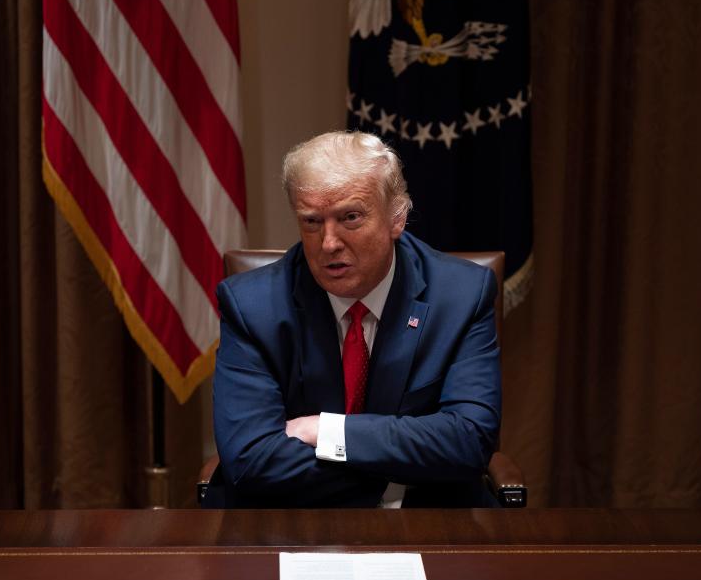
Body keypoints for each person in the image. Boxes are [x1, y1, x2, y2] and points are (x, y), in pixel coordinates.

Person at [203, 131, 501, 508]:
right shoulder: (252, 306)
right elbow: (251, 461)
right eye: (312, 221)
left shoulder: (460, 295)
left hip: (426, 526)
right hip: (292, 525)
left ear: (397, 218)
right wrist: (400, 472)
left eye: (351, 217)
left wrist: (330, 432)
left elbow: (469, 441)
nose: (328, 243)